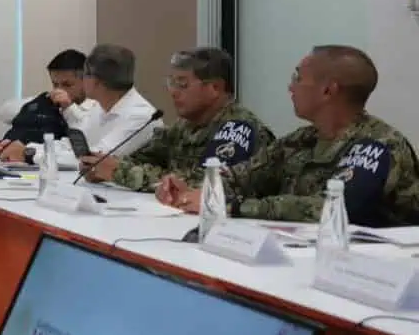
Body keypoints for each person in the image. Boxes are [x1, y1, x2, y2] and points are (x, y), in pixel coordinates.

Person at [157, 45, 419, 227]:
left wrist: (233, 207)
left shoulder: (377, 146)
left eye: (298, 77)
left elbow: (331, 208)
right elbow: (244, 176)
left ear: (328, 90)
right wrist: (198, 190)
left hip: (373, 274)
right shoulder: (301, 140)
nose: (290, 87)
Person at [90, 47, 269, 191]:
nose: (173, 92)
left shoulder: (239, 128)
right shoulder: (184, 125)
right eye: (171, 83)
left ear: (215, 87)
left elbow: (205, 185)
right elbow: (144, 158)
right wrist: (101, 166)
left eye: (182, 84)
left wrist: (118, 172)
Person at [36, 44, 158, 170]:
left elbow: (93, 159)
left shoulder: (141, 116)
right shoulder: (100, 106)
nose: (82, 80)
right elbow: (71, 145)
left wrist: (31, 155)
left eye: (85, 75)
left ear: (98, 81)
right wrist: (29, 148)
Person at [0, 49, 88, 158]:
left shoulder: (94, 111)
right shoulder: (48, 99)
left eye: (67, 85)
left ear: (87, 82)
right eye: (55, 84)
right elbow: (4, 112)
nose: (59, 90)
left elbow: (76, 148)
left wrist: (69, 108)